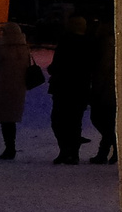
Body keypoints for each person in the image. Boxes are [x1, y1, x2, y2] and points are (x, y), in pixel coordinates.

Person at [48, 11, 95, 164]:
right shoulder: (89, 43)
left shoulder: (66, 42)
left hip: (63, 87)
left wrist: (54, 71)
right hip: (80, 88)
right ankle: (73, 153)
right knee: (75, 122)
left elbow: (57, 65)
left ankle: (65, 150)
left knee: (59, 121)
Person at [0, 21, 37, 159]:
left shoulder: (2, 49)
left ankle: (9, 147)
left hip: (3, 86)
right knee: (12, 117)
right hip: (19, 87)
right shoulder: (25, 48)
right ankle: (11, 146)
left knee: (5, 118)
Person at [87, 17, 117, 164]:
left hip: (106, 88)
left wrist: (96, 90)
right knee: (107, 121)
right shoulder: (113, 43)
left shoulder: (106, 44)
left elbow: (102, 70)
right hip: (110, 87)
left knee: (101, 120)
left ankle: (107, 150)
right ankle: (111, 149)